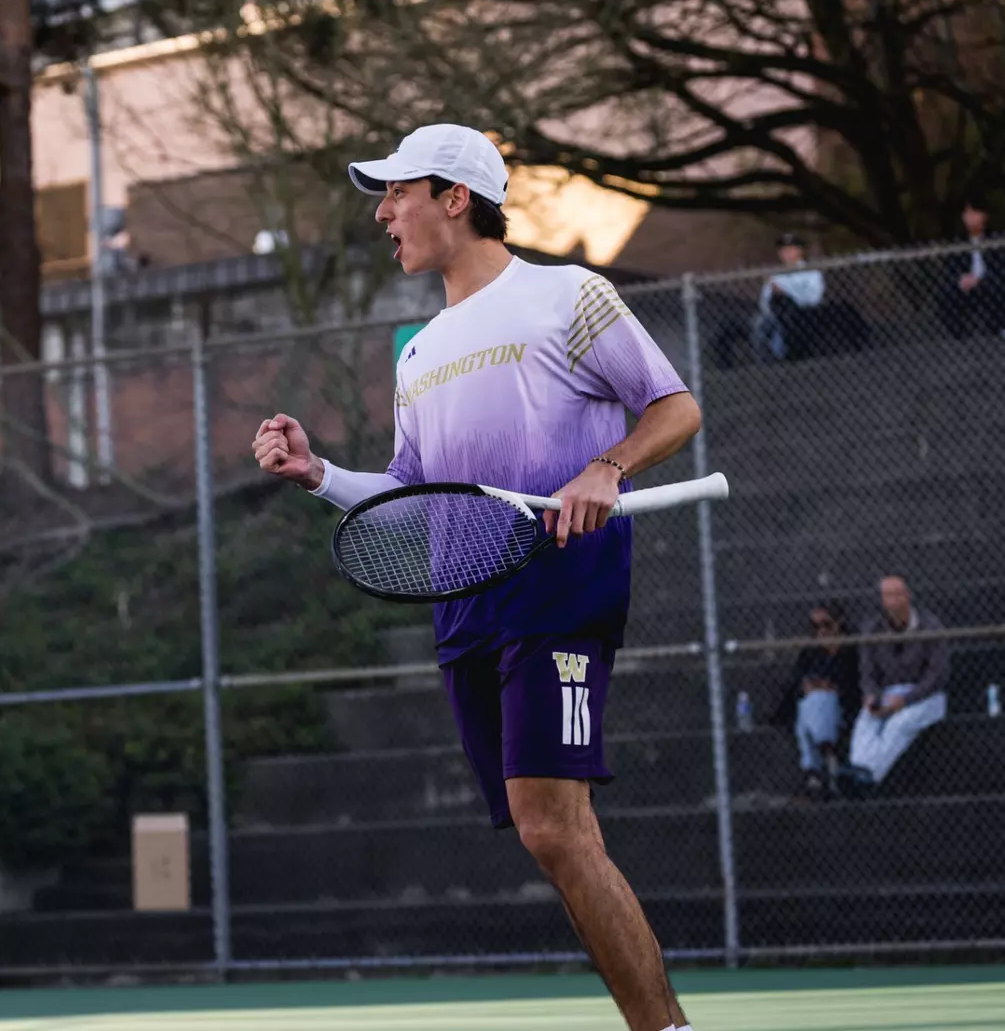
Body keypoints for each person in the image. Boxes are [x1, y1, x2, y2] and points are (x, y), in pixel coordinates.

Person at [252, 124, 703, 1031]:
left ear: (455, 198)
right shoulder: (417, 352)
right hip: (463, 609)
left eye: (397, 193)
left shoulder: (568, 295)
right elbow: (413, 496)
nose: (382, 214)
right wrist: (318, 475)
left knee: (554, 829)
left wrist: (607, 468)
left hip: (559, 590)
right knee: (551, 838)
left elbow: (675, 406)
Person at [847, 577, 951, 791]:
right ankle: (858, 769)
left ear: (908, 596)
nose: (893, 600)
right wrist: (872, 696)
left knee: (899, 724)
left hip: (925, 696)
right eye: (888, 595)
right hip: (888, 692)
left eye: (898, 594)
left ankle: (869, 775)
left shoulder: (929, 625)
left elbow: (937, 675)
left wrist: (905, 700)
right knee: (866, 720)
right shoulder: (873, 629)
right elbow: (868, 673)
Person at [771, 603, 861, 800]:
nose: (821, 631)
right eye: (815, 626)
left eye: (826, 624)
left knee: (818, 703)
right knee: (811, 704)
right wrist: (809, 685)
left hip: (843, 707)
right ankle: (828, 754)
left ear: (839, 623)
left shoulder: (853, 648)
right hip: (814, 708)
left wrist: (832, 686)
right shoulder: (811, 651)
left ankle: (814, 770)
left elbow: (856, 683)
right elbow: (797, 680)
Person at [940, 194, 1005, 339]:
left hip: (989, 281)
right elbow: (951, 268)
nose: (969, 217)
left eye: (974, 212)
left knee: (997, 285)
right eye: (966, 213)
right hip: (968, 282)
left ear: (984, 216)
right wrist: (961, 279)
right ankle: (959, 333)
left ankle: (1000, 325)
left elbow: (1003, 267)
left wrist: (979, 279)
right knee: (947, 290)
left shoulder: (996, 238)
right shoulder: (959, 241)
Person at [751, 233, 825, 362]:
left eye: (790, 250)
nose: (786, 253)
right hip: (776, 313)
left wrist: (786, 293)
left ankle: (785, 358)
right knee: (759, 323)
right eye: (783, 250)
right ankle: (763, 363)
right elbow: (764, 300)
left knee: (788, 324)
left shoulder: (810, 271)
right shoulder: (776, 275)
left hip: (802, 314)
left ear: (800, 251)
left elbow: (814, 298)